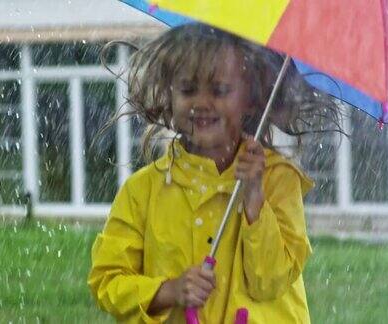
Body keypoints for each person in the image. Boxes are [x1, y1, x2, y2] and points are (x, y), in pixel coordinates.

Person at [88, 23, 340, 323]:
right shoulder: (142, 191)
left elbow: (270, 281)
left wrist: (254, 200)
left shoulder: (278, 179)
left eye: (219, 90)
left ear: (249, 99)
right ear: (170, 95)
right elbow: (107, 281)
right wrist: (168, 291)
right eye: (187, 89)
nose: (202, 103)